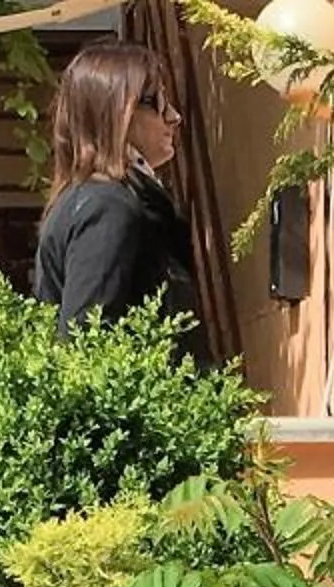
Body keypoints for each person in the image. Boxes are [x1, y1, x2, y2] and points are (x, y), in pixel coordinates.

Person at [34, 42, 214, 364]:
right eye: (158, 102)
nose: (174, 116)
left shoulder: (108, 200)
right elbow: (85, 347)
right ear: (121, 110)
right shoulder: (108, 207)